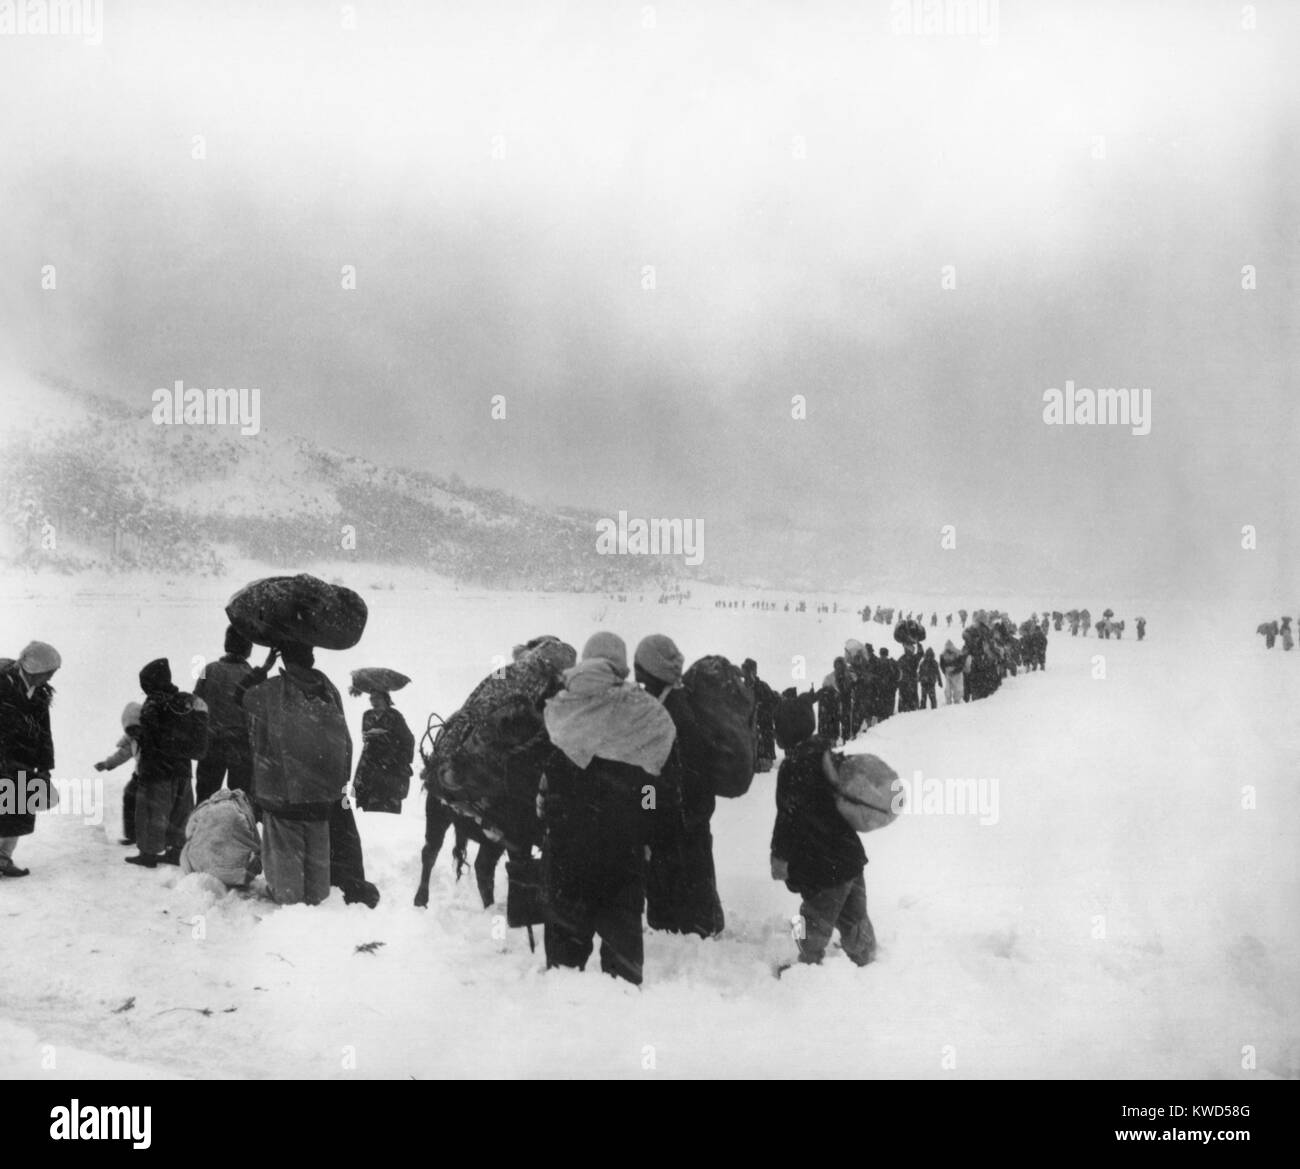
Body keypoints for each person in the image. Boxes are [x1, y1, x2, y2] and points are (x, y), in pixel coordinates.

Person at [539, 633, 677, 985]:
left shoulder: (560, 709)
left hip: (568, 851)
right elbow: (652, 787)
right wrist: (645, 822)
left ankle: (565, 1008)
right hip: (623, 852)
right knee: (623, 960)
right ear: (621, 666)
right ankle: (622, 1016)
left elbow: (548, 782)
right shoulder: (645, 714)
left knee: (564, 965)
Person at [769, 696, 875, 969]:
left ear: (786, 731)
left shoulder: (793, 767)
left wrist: (779, 857)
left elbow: (787, 818)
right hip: (850, 858)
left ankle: (807, 965)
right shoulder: (830, 755)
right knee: (854, 916)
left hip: (822, 865)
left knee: (813, 919)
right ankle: (865, 957)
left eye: (776, 726)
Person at [241, 642, 350, 904]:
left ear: (285, 661)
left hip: (284, 792)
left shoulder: (272, 689)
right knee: (317, 858)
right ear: (311, 658)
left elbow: (241, 697)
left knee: (286, 860)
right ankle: (316, 902)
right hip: (322, 794)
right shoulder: (329, 690)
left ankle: (290, 909)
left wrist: (262, 669)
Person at [638, 634, 723, 938]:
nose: (635, 673)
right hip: (692, 810)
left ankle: (687, 931)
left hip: (675, 815)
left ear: (652, 670)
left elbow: (651, 774)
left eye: (639, 666)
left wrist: (645, 812)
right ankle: (704, 923)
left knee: (676, 879)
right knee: (697, 871)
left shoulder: (665, 712)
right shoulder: (680, 699)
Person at [128, 659, 205, 868]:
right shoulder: (185, 702)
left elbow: (149, 738)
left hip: (157, 770)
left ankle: (148, 854)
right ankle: (176, 851)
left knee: (152, 814)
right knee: (180, 813)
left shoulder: (153, 704)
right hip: (183, 769)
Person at [0, 642, 61, 877]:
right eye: (48, 672)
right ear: (34, 668)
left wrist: (45, 766)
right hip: (4, 761)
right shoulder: (3, 687)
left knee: (16, 815)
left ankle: (4, 859)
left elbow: (45, 732)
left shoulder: (40, 693)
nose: (50, 677)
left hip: (23, 763)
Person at [194, 625, 254, 804]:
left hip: (212, 744)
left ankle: (202, 830)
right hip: (241, 747)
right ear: (248, 648)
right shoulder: (251, 675)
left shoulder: (209, 670)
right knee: (240, 802)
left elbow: (196, 706)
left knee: (205, 799)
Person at [351, 689, 415, 814]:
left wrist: (400, 758)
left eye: (377, 698)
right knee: (366, 800)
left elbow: (408, 739)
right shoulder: (367, 715)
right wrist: (369, 736)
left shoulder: (394, 716)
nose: (374, 702)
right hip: (369, 761)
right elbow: (365, 734)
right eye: (372, 698)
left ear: (386, 699)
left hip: (390, 763)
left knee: (388, 802)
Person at [94, 701, 143, 845]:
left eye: (136, 728)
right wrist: (107, 764)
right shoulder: (132, 739)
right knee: (130, 795)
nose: (134, 732)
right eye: (129, 730)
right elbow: (122, 753)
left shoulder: (152, 734)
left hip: (154, 774)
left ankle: (154, 839)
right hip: (139, 774)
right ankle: (132, 835)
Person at [742, 659, 777, 772]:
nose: (747, 673)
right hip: (747, 735)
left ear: (755, 671)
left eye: (749, 670)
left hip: (763, 733)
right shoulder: (740, 688)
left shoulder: (763, 687)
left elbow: (773, 703)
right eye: (745, 670)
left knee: (763, 767)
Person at [939, 640, 965, 705]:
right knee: (948, 689)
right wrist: (945, 672)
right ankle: (949, 702)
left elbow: (961, 665)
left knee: (957, 689)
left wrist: (954, 671)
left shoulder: (958, 654)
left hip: (956, 674)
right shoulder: (943, 655)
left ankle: (956, 701)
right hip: (949, 673)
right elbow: (942, 665)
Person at [875, 648, 898, 721]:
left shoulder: (889, 664)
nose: (883, 657)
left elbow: (895, 677)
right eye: (882, 655)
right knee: (883, 715)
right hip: (882, 692)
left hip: (887, 692)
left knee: (886, 715)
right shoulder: (880, 663)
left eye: (883, 655)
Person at [897, 645, 919, 712]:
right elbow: (921, 653)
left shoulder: (902, 659)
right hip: (909, 681)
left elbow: (898, 670)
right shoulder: (913, 658)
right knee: (910, 695)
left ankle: (905, 708)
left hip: (906, 681)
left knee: (905, 695)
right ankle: (911, 707)